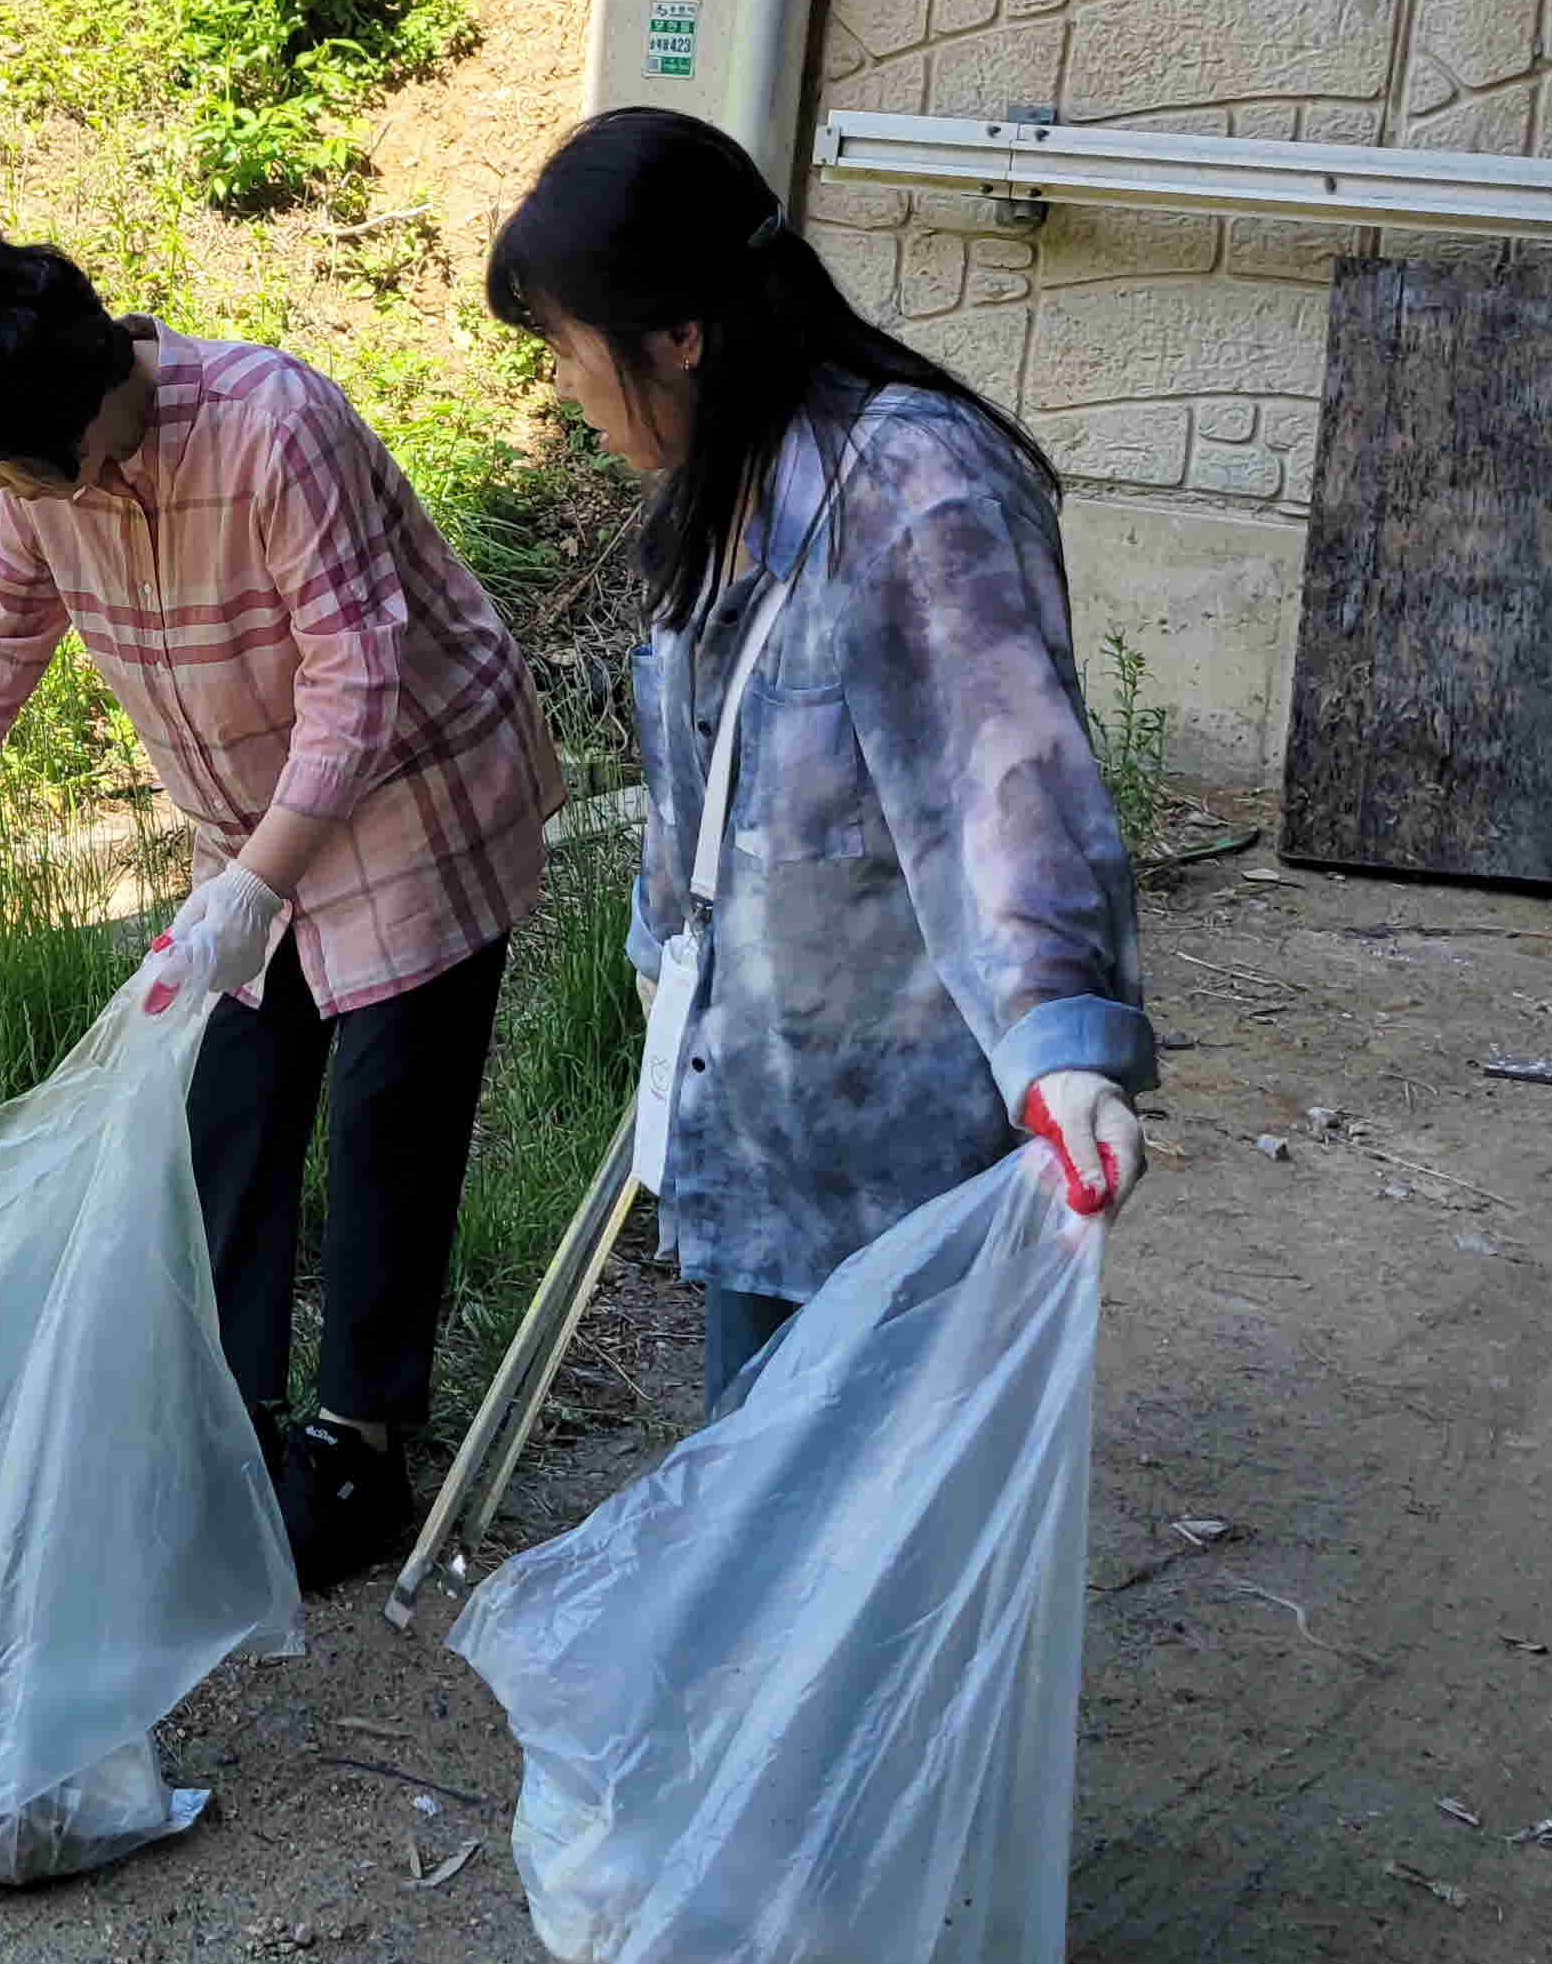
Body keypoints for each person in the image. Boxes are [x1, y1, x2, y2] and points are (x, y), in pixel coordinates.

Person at [0, 236, 564, 1581]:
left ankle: (361, 1447)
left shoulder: (269, 426)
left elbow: (358, 681)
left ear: (79, 409)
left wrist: (261, 882)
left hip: (415, 791)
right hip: (254, 823)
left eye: (1, 466)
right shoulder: (44, 479)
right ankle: (230, 1418)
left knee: (385, 1124)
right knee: (228, 1100)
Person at [484, 110, 1154, 1414]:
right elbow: (700, 778)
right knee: (770, 1518)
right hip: (763, 1118)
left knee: (860, 1548)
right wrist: (654, 971)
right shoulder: (725, 474)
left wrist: (1062, 1047)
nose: (564, 387)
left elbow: (1007, 795)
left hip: (890, 1153)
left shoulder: (919, 490)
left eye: (569, 350)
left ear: (679, 334)